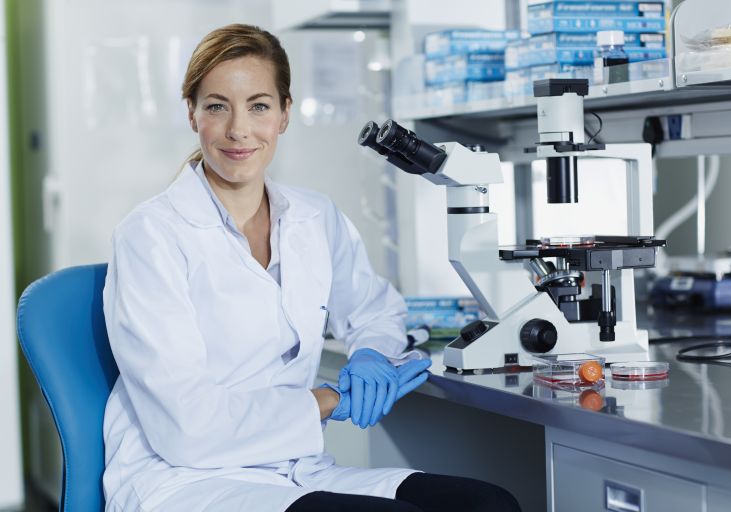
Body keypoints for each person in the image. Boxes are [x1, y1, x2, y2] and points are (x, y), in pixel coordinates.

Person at [102, 23, 522, 512]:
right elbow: (186, 428)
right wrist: (328, 400)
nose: (239, 129)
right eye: (217, 106)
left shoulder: (313, 217)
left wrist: (370, 357)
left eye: (258, 105)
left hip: (295, 466)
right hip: (184, 479)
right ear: (192, 114)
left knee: (490, 505)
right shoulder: (151, 234)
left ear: (284, 114)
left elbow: (375, 311)